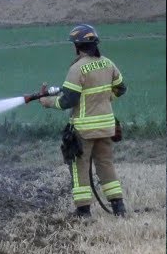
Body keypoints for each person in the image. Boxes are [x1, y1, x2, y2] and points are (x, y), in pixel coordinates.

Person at [38, 24, 127, 216]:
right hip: (106, 127)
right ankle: (119, 208)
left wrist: (47, 102)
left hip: (84, 130)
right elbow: (121, 88)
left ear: (77, 46)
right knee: (106, 165)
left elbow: (68, 101)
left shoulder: (77, 69)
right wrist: (106, 98)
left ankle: (83, 212)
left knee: (80, 168)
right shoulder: (108, 63)